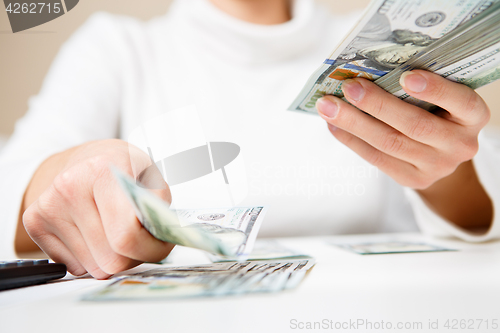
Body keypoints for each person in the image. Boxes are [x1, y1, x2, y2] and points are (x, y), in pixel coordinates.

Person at [0, 0, 498, 279]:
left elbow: (477, 218)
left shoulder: (382, 44)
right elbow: (15, 189)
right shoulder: (117, 45)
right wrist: (73, 172)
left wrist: (446, 168)